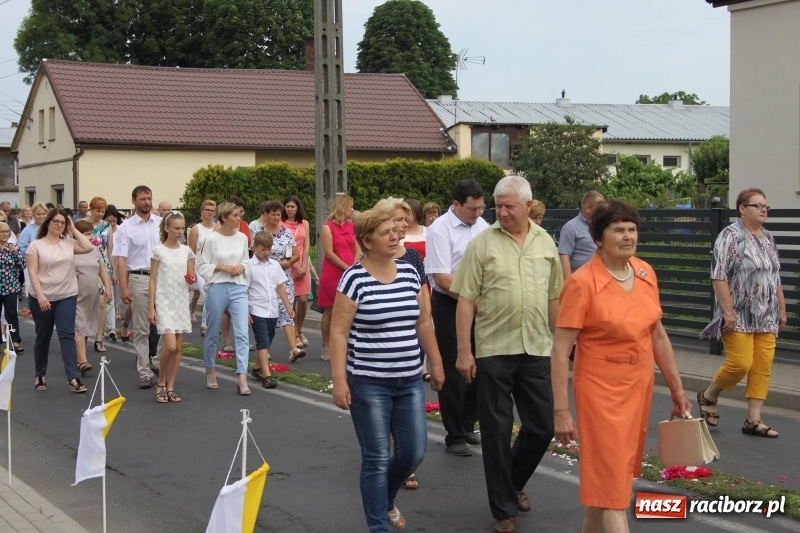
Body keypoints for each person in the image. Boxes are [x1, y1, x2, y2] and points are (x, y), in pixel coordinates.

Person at [552, 200, 691, 533]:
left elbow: (657, 335)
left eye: (632, 229)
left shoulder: (645, 273)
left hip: (638, 386)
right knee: (615, 495)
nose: (628, 236)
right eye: (618, 229)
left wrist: (677, 390)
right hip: (601, 391)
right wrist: (561, 411)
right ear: (599, 238)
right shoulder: (582, 283)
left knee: (609, 487)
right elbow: (560, 351)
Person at [449, 176, 561, 533]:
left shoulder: (545, 242)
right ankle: (503, 510)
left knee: (542, 427)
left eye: (509, 205)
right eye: (498, 205)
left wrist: (563, 345)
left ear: (529, 206)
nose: (502, 211)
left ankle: (511, 483)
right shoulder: (482, 243)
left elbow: (554, 297)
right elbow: (465, 300)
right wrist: (465, 352)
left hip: (536, 348)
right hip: (494, 350)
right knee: (496, 432)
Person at [330, 209, 444, 533]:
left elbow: (423, 321)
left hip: (408, 380)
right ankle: (378, 525)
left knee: (413, 452)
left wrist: (436, 362)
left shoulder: (409, 272)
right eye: (386, 232)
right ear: (367, 241)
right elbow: (338, 332)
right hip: (368, 382)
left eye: (396, 230)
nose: (395, 236)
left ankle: (387, 499)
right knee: (377, 458)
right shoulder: (353, 278)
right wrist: (339, 381)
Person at [698, 188, 786, 438]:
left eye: (765, 206)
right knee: (740, 364)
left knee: (761, 366)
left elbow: (774, 275)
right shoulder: (730, 236)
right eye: (758, 205)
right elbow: (718, 275)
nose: (763, 210)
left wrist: (781, 308)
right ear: (742, 209)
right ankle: (709, 395)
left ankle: (753, 420)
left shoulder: (768, 237)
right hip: (738, 314)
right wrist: (728, 312)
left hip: (766, 315)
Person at [424, 179, 489, 457]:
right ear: (457, 204)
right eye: (472, 209)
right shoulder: (441, 228)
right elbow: (441, 277)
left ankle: (467, 422)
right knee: (454, 369)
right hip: (450, 303)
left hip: (481, 305)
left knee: (482, 366)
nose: (477, 214)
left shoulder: (484, 227)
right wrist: (470, 300)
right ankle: (454, 433)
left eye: (481, 208)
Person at [374, 197, 430, 492]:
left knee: (406, 405)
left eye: (406, 218)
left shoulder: (414, 259)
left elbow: (424, 302)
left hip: (411, 340)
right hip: (380, 348)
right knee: (386, 405)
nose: (404, 224)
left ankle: (402, 457)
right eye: (397, 219)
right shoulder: (370, 260)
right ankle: (393, 459)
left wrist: (431, 346)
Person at [26, 208, 95, 393]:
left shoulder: (69, 243)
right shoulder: (36, 245)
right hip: (43, 297)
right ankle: (40, 374)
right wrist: (40, 295)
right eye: (55, 221)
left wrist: (72, 227)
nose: (59, 225)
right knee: (44, 336)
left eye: (62, 222)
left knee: (67, 335)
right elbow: (32, 271)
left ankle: (73, 377)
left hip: (66, 295)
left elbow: (88, 247)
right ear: (48, 222)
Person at [196, 202, 251, 394]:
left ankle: (242, 376)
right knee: (212, 331)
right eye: (235, 215)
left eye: (239, 215)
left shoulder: (243, 238)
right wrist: (222, 267)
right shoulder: (211, 239)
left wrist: (242, 267)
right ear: (224, 217)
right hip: (217, 287)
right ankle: (210, 368)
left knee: (242, 332)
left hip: (238, 288)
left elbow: (246, 260)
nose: (239, 219)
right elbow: (201, 266)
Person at [114, 185, 162, 389]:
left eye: (149, 198)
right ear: (134, 201)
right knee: (142, 328)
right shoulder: (125, 228)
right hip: (139, 277)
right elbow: (122, 260)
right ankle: (144, 371)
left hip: (161, 277)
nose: (147, 202)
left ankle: (158, 361)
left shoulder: (161, 223)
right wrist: (124, 288)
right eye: (142, 199)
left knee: (164, 325)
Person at [149, 212, 195, 404]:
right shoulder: (158, 251)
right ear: (167, 228)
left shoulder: (187, 252)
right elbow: (152, 279)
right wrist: (151, 307)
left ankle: (170, 386)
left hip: (181, 300)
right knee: (170, 346)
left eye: (182, 228)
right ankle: (161, 380)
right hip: (164, 300)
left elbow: (191, 277)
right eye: (176, 228)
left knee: (178, 349)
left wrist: (191, 279)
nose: (180, 232)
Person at [247, 231, 294, 389]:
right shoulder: (248, 266)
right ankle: (267, 375)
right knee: (262, 341)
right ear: (254, 248)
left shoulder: (274, 265)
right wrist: (246, 311)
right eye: (263, 250)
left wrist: (288, 307)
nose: (267, 253)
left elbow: (280, 286)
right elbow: (244, 290)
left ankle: (256, 368)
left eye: (269, 249)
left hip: (272, 309)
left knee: (268, 340)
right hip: (256, 309)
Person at [260, 200, 305, 362]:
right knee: (267, 315)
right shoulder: (261, 232)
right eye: (273, 215)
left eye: (278, 215)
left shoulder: (286, 232)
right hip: (265, 279)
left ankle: (293, 349)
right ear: (266, 215)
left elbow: (294, 254)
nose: (276, 218)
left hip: (284, 278)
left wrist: (288, 262)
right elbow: (255, 255)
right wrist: (272, 263)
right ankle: (265, 349)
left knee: (288, 313)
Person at [318, 195, 359, 361]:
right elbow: (329, 252)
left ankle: (346, 343)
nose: (353, 210)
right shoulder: (328, 227)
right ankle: (326, 343)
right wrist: (346, 267)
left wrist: (354, 267)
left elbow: (357, 248)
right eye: (351, 207)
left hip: (350, 270)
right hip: (333, 272)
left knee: (349, 309)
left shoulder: (351, 226)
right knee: (330, 309)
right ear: (343, 208)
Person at [72, 220, 112, 375]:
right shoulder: (70, 250)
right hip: (75, 293)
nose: (89, 236)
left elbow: (102, 271)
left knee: (87, 326)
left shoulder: (95, 250)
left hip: (92, 293)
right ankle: (82, 360)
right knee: (79, 325)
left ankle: (80, 357)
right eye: (85, 233)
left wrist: (107, 288)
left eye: (90, 233)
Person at [85, 197, 117, 347]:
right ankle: (83, 333)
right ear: (91, 209)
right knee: (88, 303)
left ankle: (99, 337)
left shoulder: (106, 226)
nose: (100, 214)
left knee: (104, 302)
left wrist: (114, 270)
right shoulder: (83, 225)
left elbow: (110, 250)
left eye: (102, 211)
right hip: (87, 265)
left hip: (103, 266)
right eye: (97, 210)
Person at [281, 195, 311, 348]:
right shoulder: (281, 224)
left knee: (304, 300)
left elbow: (306, 246)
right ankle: (293, 334)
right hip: (289, 264)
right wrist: (294, 265)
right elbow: (285, 248)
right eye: (287, 206)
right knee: (291, 301)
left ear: (298, 207)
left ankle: (299, 329)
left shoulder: (304, 223)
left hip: (303, 266)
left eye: (293, 206)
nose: (290, 209)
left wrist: (304, 265)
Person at [558, 191, 604, 279]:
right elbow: (564, 256)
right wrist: (569, 283)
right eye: (600, 206)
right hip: (581, 279)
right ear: (588, 208)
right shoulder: (570, 227)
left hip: (600, 277)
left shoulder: (602, 226)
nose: (603, 210)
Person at [188, 200, 216, 336]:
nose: (210, 212)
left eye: (212, 210)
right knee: (206, 295)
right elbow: (191, 251)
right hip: (199, 266)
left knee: (212, 295)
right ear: (202, 211)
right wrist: (191, 270)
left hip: (213, 266)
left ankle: (210, 323)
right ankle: (205, 324)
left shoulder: (217, 228)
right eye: (207, 210)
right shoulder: (196, 229)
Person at [0, 222, 25, 352]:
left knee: (11, 314)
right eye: (2, 232)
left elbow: (22, 264)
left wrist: (16, 254)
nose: (5, 234)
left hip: (10, 286)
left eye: (6, 232)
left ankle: (15, 341)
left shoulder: (12, 247)